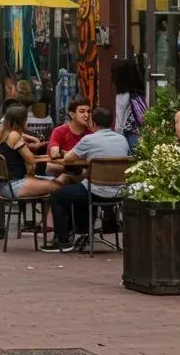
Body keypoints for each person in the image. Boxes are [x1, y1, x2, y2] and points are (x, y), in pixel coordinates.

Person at [43, 106, 130, 252]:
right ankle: (83, 233)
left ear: (93, 123)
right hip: (119, 192)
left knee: (58, 195)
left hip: (96, 190)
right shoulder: (122, 140)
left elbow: (68, 158)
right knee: (80, 188)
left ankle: (63, 241)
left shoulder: (88, 139)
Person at [0, 103, 62, 204]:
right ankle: (52, 219)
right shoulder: (14, 135)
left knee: (54, 182)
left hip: (1, 185)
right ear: (21, 120)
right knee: (60, 186)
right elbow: (31, 159)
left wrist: (31, 138)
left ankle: (48, 218)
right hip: (13, 185)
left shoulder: (4, 133)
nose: (27, 120)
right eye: (26, 118)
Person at [112, 58, 146, 149]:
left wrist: (117, 138)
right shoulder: (139, 94)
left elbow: (120, 120)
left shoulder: (122, 95)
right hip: (140, 134)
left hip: (128, 135)